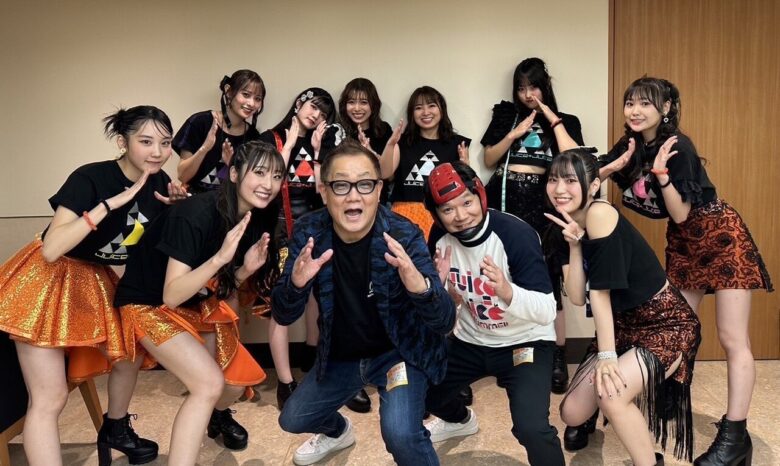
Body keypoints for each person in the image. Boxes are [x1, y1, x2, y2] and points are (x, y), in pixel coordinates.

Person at [600, 77, 772, 466]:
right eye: (630, 103)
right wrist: (612, 166)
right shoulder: (632, 144)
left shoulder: (678, 147)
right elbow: (595, 173)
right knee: (678, 329)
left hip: (720, 236)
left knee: (732, 337)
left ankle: (735, 438)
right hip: (683, 244)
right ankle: (670, 398)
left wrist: (661, 176)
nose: (635, 110)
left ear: (665, 109)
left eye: (646, 103)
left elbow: (680, 212)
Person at [0, 106, 183, 466]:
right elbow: (51, 249)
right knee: (50, 398)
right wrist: (108, 205)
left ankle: (115, 428)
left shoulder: (160, 183)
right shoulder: (90, 178)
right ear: (122, 142)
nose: (158, 152)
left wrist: (176, 211)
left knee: (130, 352)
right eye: (146, 141)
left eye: (165, 143)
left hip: (93, 278)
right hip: (44, 281)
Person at [271, 141, 456, 466]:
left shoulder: (403, 233)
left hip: (397, 354)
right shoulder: (309, 232)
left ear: (379, 190)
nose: (354, 196)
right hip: (341, 356)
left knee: (401, 434)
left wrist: (420, 287)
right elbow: (283, 313)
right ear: (324, 192)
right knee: (293, 419)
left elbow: (444, 320)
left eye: (365, 184)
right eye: (341, 185)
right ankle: (338, 431)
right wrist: (296, 285)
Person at [113, 141, 283, 465]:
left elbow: (221, 287)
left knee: (233, 382)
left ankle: (216, 418)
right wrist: (220, 259)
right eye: (260, 173)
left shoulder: (254, 218)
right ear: (235, 173)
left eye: (276, 176)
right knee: (208, 384)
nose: (268, 184)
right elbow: (171, 294)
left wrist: (245, 269)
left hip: (194, 306)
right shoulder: (196, 213)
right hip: (147, 305)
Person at [547, 149, 701, 465]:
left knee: (612, 396)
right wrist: (574, 246)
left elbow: (599, 293)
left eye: (570, 180)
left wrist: (607, 357)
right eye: (553, 179)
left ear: (593, 186)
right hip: (622, 328)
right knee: (571, 412)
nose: (559, 189)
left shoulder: (600, 213)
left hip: (663, 323)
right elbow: (576, 297)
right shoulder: (562, 226)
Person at [422, 162, 564, 465]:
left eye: (467, 202)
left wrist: (507, 291)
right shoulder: (439, 237)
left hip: (524, 341)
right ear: (436, 214)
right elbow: (444, 305)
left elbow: (547, 310)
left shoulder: (516, 234)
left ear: (480, 195)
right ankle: (459, 421)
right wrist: (442, 290)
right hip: (470, 341)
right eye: (447, 209)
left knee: (531, 429)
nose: (460, 216)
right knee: (421, 395)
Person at [481, 57, 584, 395]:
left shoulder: (566, 121)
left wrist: (550, 117)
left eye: (533, 87)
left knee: (549, 279)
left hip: (544, 208)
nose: (527, 94)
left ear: (545, 86)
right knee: (507, 277)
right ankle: (512, 352)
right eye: (521, 88)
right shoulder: (506, 115)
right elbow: (489, 159)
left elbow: (576, 160)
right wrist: (514, 133)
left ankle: (556, 355)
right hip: (506, 202)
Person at [258, 87, 346, 409]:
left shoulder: (323, 144)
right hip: (279, 231)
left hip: (314, 230)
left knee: (319, 295)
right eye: (312, 106)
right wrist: (291, 143)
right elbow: (266, 185)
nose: (316, 114)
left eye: (323, 112)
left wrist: (319, 153)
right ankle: (285, 382)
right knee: (281, 305)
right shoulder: (271, 139)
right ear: (299, 103)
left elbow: (325, 194)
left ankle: (312, 354)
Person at [381, 85, 471, 241]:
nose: (425, 112)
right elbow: (384, 173)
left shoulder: (456, 143)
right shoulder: (401, 142)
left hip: (443, 214)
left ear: (441, 109)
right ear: (412, 113)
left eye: (431, 105)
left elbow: (465, 189)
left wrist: (465, 166)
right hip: (404, 214)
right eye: (418, 108)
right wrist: (390, 144)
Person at [174, 69, 264, 193]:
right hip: (194, 201)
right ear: (228, 91)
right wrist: (204, 148)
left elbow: (251, 187)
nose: (251, 103)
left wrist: (231, 164)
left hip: (229, 203)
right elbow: (183, 176)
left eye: (257, 99)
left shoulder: (253, 137)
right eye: (246, 94)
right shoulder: (200, 122)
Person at [338, 77, 394, 205]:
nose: (357, 108)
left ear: (373, 105)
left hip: (378, 201)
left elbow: (390, 176)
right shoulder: (338, 131)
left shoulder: (384, 130)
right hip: (345, 200)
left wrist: (370, 151)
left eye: (364, 102)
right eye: (351, 102)